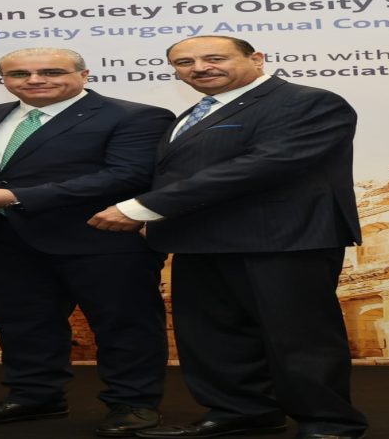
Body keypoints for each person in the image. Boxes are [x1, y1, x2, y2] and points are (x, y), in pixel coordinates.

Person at [88, 35, 368, 439]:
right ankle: (242, 411)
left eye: (214, 58)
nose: (199, 68)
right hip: (197, 239)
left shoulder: (308, 102)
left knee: (298, 338)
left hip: (281, 239)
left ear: (257, 58)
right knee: (213, 336)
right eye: (185, 63)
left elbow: (267, 164)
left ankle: (329, 422)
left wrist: (145, 207)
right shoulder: (196, 111)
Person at [0, 48, 175, 437]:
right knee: (22, 326)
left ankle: (134, 404)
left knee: (124, 326)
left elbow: (126, 175)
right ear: (3, 80)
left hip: (99, 239)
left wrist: (18, 197)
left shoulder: (136, 115)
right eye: (19, 74)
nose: (34, 80)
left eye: (51, 72)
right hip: (3, 240)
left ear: (84, 74)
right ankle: (34, 397)